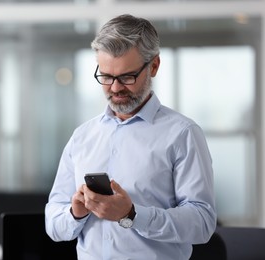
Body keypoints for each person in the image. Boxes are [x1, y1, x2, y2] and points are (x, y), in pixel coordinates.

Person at [45, 14, 217, 260]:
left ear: (154, 66)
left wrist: (131, 215)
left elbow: (202, 223)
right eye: (105, 76)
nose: (115, 88)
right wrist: (76, 213)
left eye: (127, 77)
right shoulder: (82, 137)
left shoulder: (183, 134)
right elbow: (53, 225)